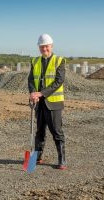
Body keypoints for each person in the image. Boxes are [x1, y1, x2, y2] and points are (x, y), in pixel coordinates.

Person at [27, 33, 67, 170]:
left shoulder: (59, 60)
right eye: (42, 47)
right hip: (39, 103)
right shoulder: (35, 61)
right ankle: (37, 157)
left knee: (56, 131)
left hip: (53, 103)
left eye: (46, 46)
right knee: (39, 131)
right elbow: (31, 79)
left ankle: (62, 159)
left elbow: (59, 81)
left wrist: (41, 93)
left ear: (51, 46)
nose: (44, 49)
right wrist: (33, 92)